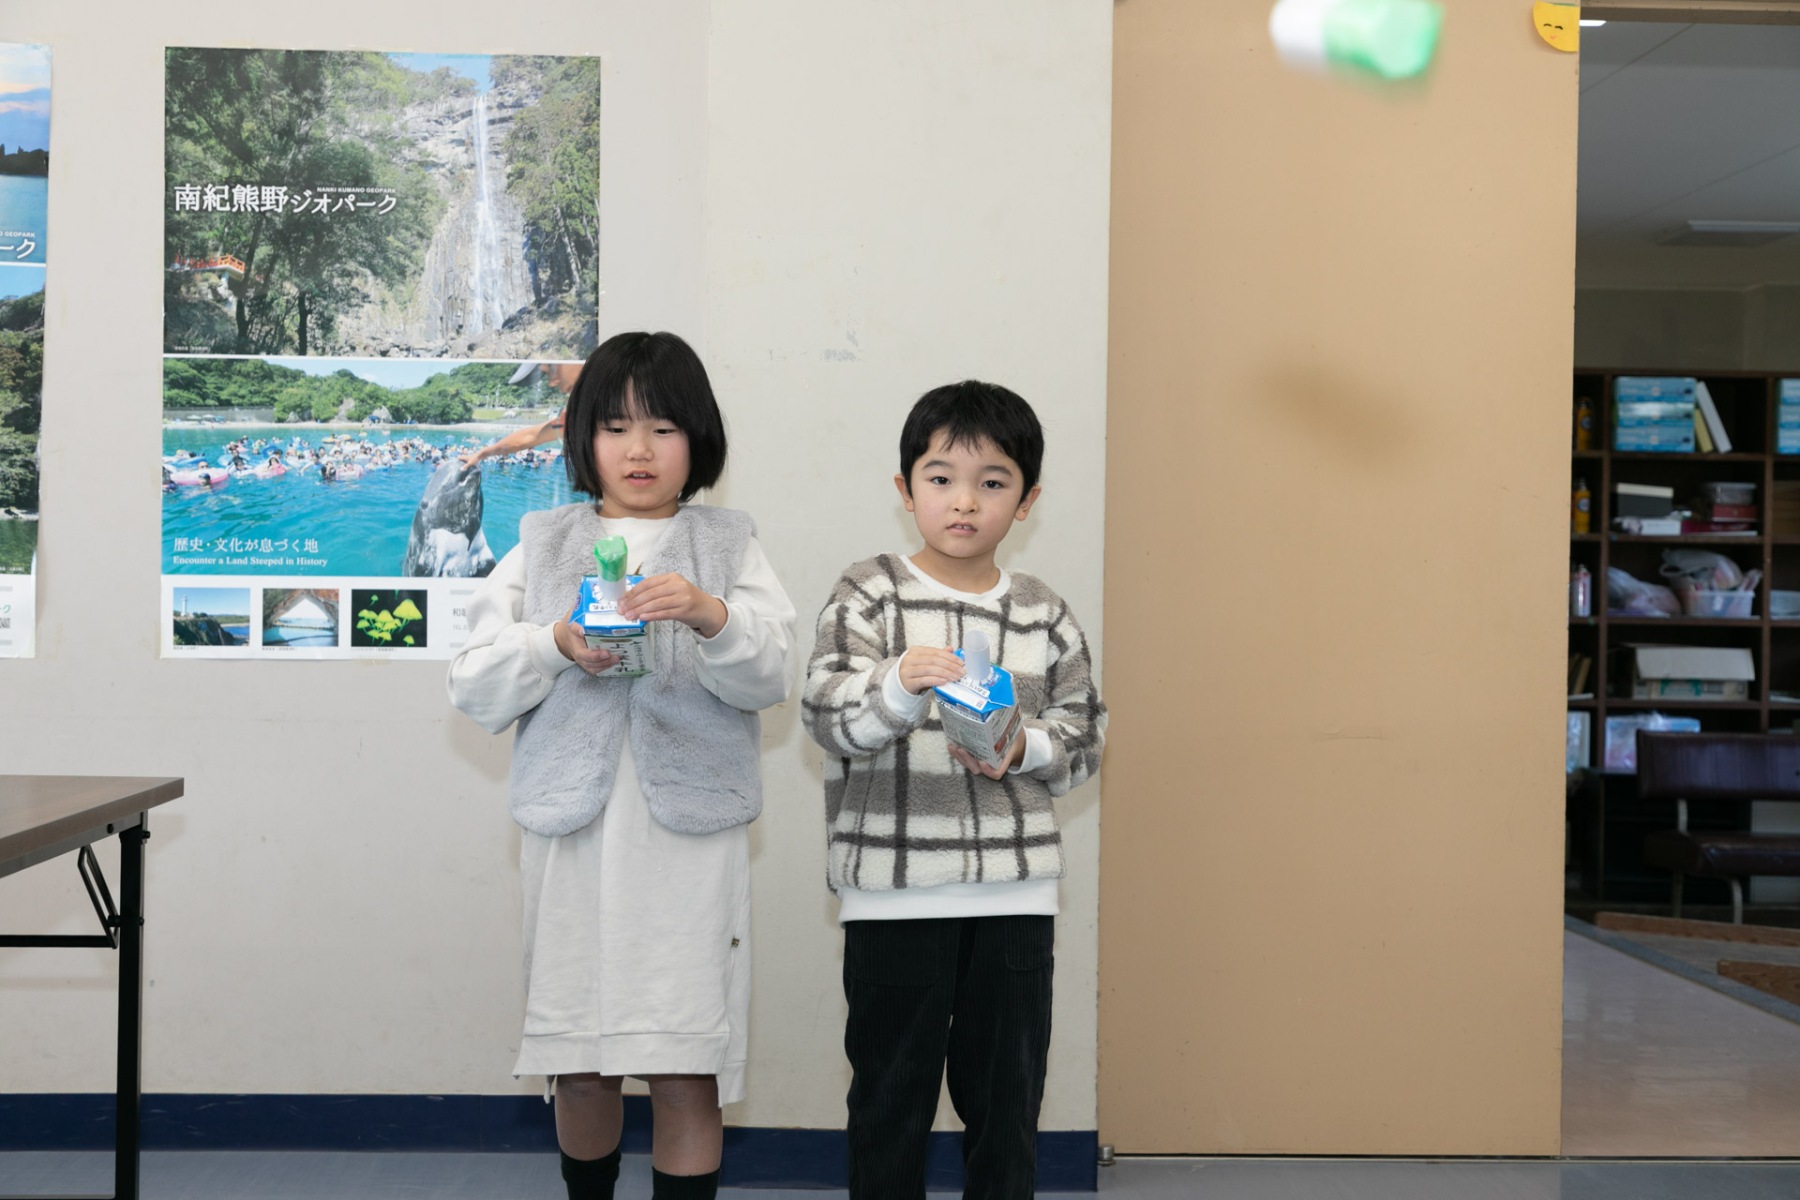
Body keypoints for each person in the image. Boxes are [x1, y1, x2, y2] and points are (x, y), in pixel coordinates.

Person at [448, 331, 795, 1200]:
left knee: (685, 1068)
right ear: (583, 438)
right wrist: (555, 642)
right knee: (579, 1065)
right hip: (572, 837)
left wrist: (714, 617)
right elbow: (474, 684)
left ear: (699, 438)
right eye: (615, 427)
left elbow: (770, 678)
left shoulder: (730, 546)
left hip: (691, 844)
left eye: (664, 427)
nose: (640, 450)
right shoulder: (540, 543)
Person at [800, 380, 1107, 1200]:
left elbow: (1085, 737)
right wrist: (899, 685)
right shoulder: (869, 591)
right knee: (888, 1106)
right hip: (893, 894)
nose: (964, 500)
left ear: (1027, 500)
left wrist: (1023, 745)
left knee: (1007, 1111)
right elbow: (825, 716)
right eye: (941, 478)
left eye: (992, 481)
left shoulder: (1044, 612)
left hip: (1015, 895)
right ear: (906, 490)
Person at [460, 360, 586, 467]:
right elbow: (529, 437)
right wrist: (481, 454)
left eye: (551, 368)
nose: (552, 382)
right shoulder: (578, 416)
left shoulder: (591, 406)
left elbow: (530, 437)